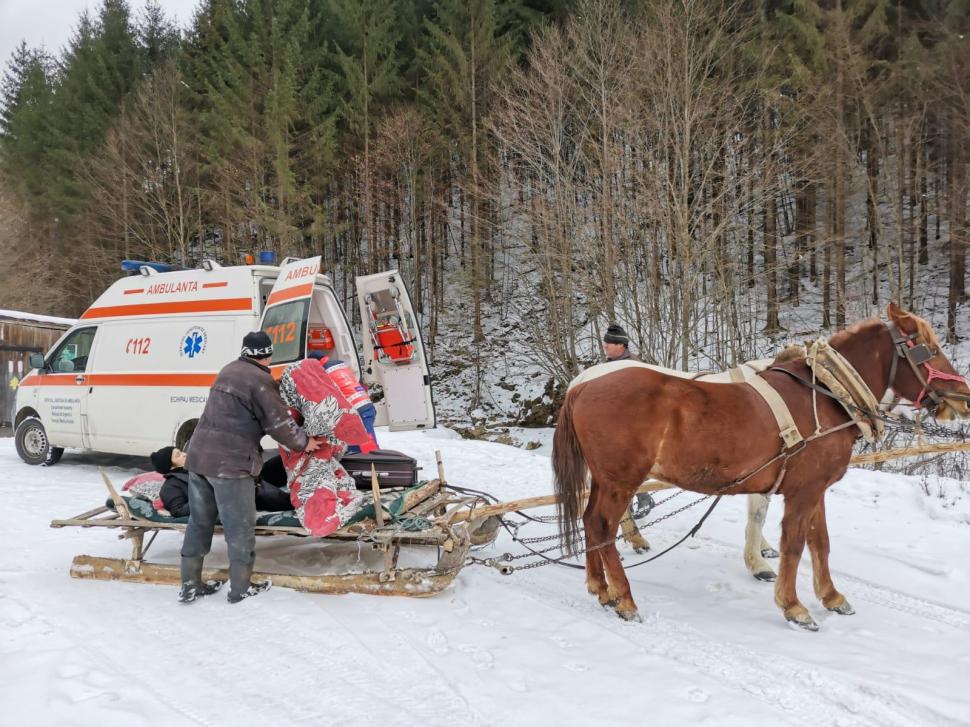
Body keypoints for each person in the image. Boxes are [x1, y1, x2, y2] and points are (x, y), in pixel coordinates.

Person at [178, 331, 321, 605]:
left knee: (199, 522)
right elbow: (278, 423)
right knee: (239, 528)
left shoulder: (228, 371)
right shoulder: (260, 380)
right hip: (230, 465)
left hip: (198, 458)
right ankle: (240, 589)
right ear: (267, 354)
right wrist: (305, 442)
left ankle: (190, 585)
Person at [150, 446, 292, 517]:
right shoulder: (171, 487)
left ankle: (310, 473)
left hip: (243, 479)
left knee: (281, 461)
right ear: (170, 466)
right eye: (178, 455)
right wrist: (211, 494)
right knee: (286, 500)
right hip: (239, 495)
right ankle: (302, 500)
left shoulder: (194, 467)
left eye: (181, 451)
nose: (184, 454)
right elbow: (178, 510)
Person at [307, 351, 379, 454]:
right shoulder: (340, 365)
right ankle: (363, 465)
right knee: (357, 448)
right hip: (366, 406)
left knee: (369, 450)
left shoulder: (322, 373)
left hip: (357, 412)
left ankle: (376, 467)